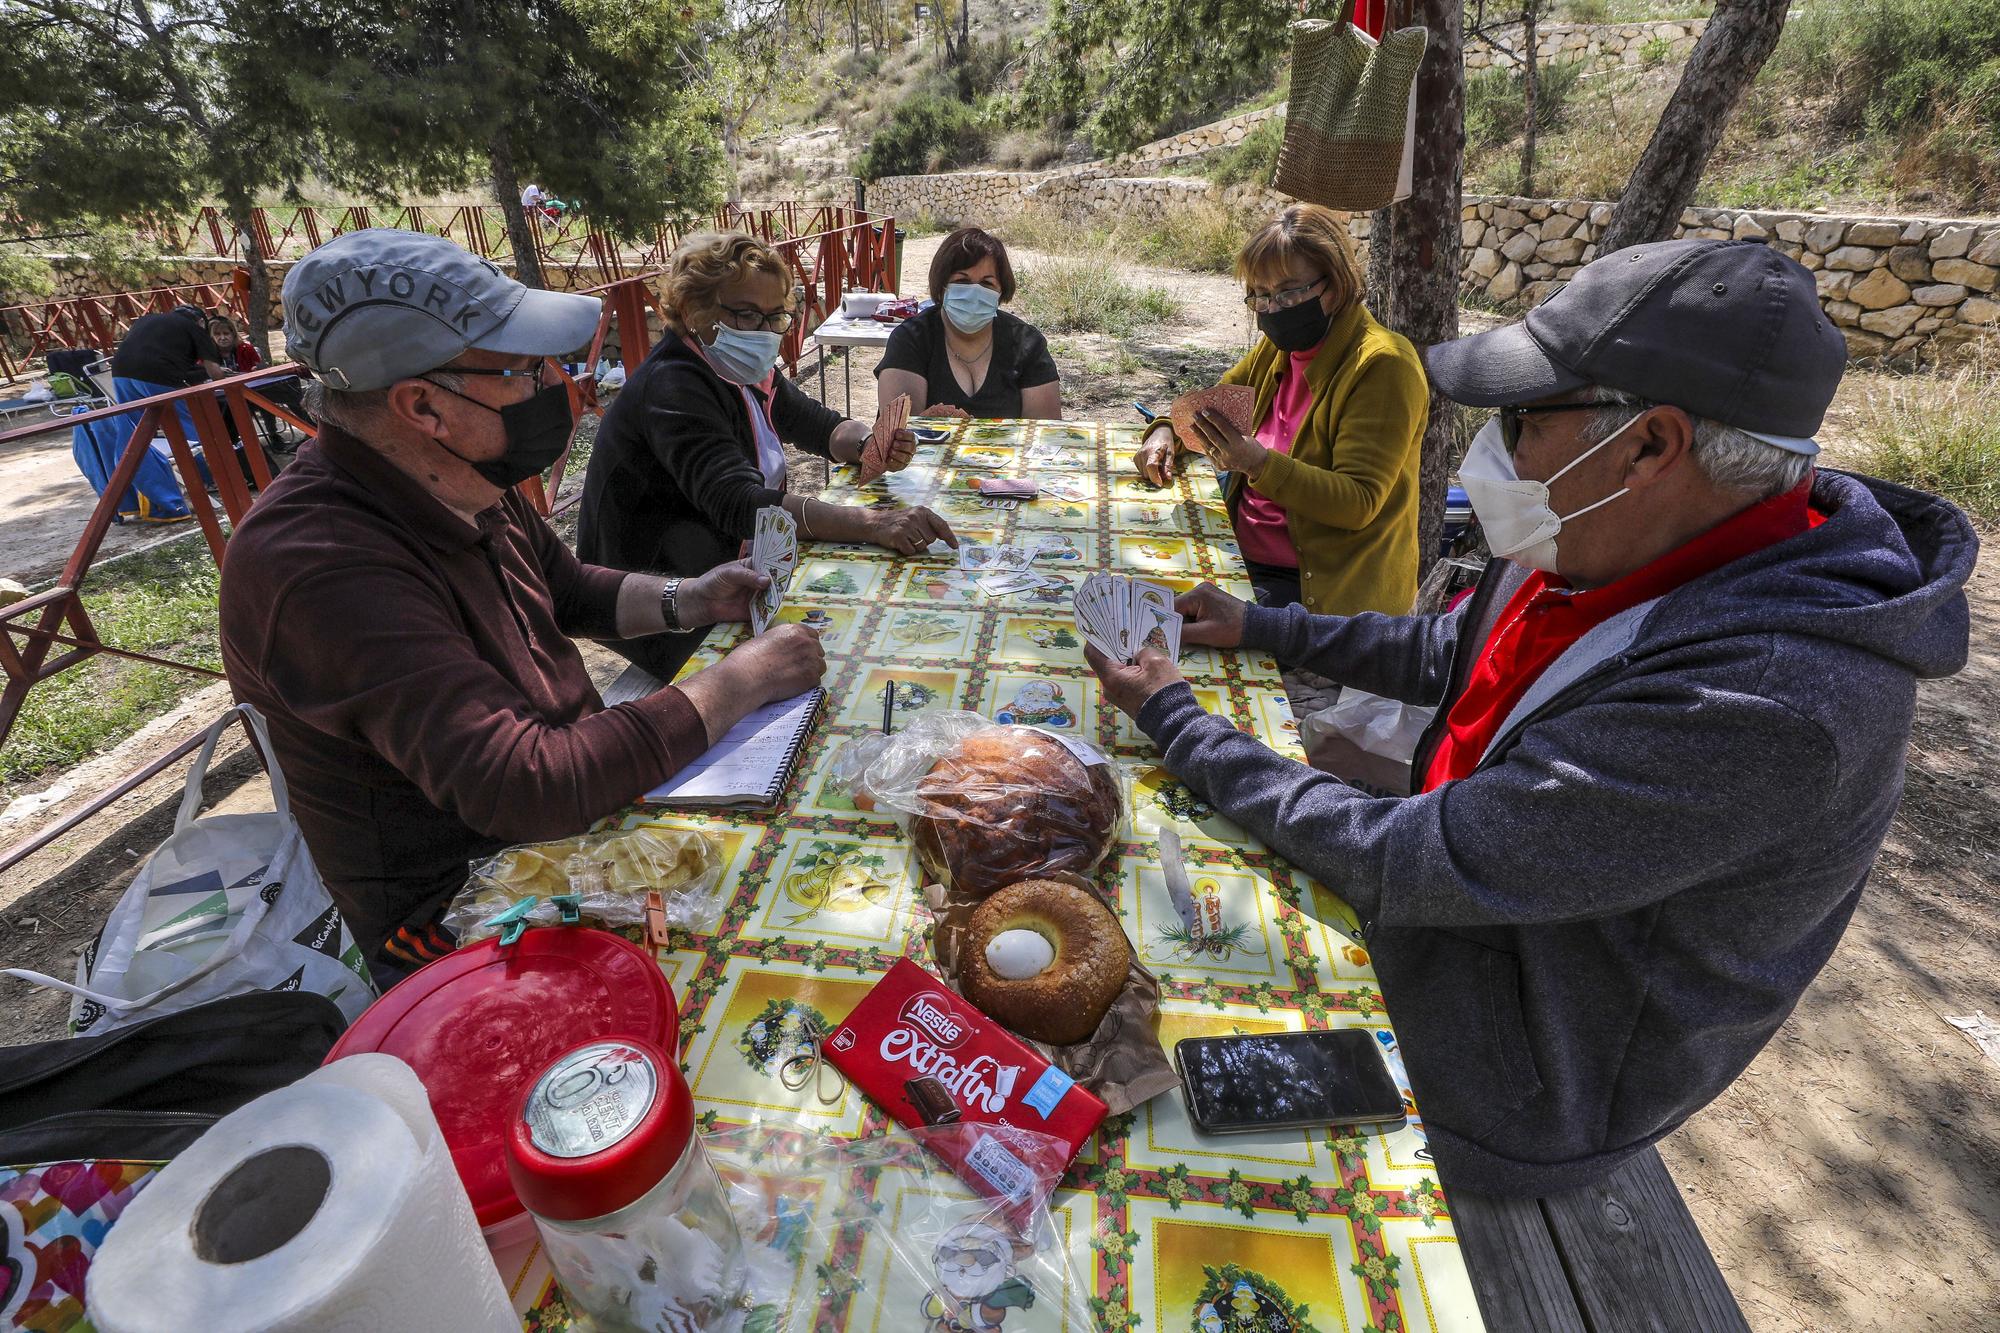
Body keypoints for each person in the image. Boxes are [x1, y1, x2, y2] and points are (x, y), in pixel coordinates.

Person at [1084, 238, 1976, 1194]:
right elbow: (1460, 654)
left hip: (1507, 1079)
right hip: (1452, 916)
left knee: (1137, 1069)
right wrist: (1262, 623)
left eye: (1521, 417)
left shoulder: (1769, 703)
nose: (1494, 450)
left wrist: (1176, 716)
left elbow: (1413, 856)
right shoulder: (1604, 523)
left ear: (1650, 444)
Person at [220, 229, 828, 982]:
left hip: (571, 827)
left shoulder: (453, 473)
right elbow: (525, 783)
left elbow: (567, 587)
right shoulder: (319, 565)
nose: (553, 385)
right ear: (423, 404)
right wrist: (739, 680)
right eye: (521, 369)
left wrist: (690, 597)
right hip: (469, 919)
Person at [579, 230, 956, 680]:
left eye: (775, 317)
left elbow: (816, 423)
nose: (764, 333)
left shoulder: (735, 365)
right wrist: (871, 523)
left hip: (724, 575)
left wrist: (866, 443)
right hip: (659, 606)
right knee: (846, 664)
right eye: (746, 315)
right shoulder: (675, 385)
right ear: (692, 311)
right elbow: (742, 504)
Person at [1130, 204, 1427, 615]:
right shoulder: (1281, 348)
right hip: (1246, 557)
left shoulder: (1383, 366)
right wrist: (1165, 431)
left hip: (1319, 594)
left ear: (1336, 285)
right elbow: (1212, 409)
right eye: (1260, 295)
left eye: (1288, 292)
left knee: (1161, 634)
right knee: (1129, 591)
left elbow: (1358, 502)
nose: (1272, 309)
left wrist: (1258, 464)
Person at [875, 227, 1061, 420]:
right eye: (962, 281)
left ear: (1001, 291)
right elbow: (901, 431)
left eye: (987, 283)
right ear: (941, 287)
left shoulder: (1026, 343)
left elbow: (1044, 433)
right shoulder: (912, 339)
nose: (974, 292)